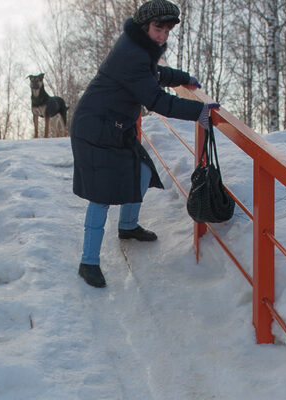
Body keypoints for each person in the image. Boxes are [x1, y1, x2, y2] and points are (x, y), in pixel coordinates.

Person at [70, 0, 220, 288]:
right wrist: (198, 111)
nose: (162, 36)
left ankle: (127, 226)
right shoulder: (133, 53)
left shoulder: (140, 48)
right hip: (95, 129)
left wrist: (182, 78)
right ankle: (88, 262)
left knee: (140, 171)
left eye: (167, 30)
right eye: (157, 29)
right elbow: (156, 99)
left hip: (115, 126)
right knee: (100, 196)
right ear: (144, 26)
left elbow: (154, 75)